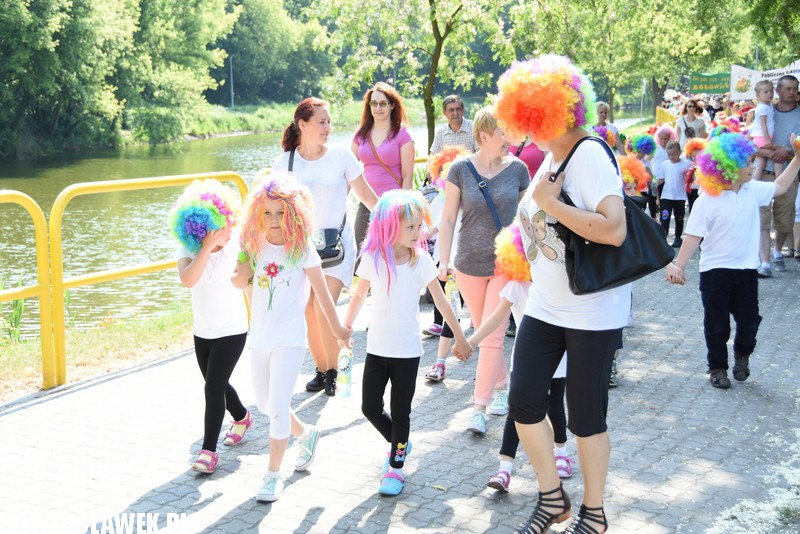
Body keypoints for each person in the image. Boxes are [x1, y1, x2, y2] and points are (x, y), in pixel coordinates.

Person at [495, 54, 630, 534]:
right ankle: (552, 497)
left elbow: (614, 230)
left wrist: (550, 204)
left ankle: (594, 513)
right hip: (545, 305)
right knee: (523, 402)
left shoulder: (588, 154)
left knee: (585, 417)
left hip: (591, 309)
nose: (524, 125)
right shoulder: (551, 156)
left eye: (529, 114)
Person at [340, 190, 472, 496]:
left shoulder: (421, 261)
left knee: (401, 413)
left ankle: (396, 468)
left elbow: (442, 301)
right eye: (410, 227)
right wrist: (344, 328)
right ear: (389, 226)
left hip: (408, 353)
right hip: (376, 350)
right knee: (370, 407)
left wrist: (461, 336)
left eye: (419, 226)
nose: (418, 232)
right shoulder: (373, 258)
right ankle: (399, 442)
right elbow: (358, 295)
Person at [232, 174, 352, 502]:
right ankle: (306, 433)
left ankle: (273, 475)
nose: (274, 220)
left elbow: (322, 296)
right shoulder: (253, 245)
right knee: (266, 404)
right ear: (258, 213)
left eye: (280, 213)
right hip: (259, 338)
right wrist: (243, 262)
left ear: (294, 213)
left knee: (277, 407)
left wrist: (338, 330)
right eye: (267, 213)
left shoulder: (302, 249)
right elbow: (238, 282)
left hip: (290, 340)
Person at [666, 133, 800, 388]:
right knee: (717, 326)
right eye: (747, 162)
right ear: (729, 167)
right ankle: (717, 368)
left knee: (749, 322)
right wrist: (679, 267)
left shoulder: (752, 190)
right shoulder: (707, 200)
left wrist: (798, 159)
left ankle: (742, 355)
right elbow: (692, 237)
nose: (752, 166)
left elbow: (780, 187)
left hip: (746, 272)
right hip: (714, 272)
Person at [273, 97, 378, 396]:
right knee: (307, 310)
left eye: (329, 121)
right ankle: (322, 370)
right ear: (302, 125)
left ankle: (337, 373)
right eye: (322, 122)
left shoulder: (342, 157)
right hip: (302, 250)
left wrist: (394, 218)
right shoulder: (284, 163)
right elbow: (272, 207)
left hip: (337, 248)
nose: (328, 127)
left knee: (323, 307)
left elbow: (367, 197)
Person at [436, 107, 530, 435]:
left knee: (491, 338)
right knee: (483, 329)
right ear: (484, 136)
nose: (509, 139)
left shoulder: (518, 170)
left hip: (505, 263)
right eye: (504, 133)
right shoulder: (460, 169)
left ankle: (478, 408)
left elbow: (526, 220)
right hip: (468, 263)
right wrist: (443, 261)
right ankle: (502, 385)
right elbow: (448, 218)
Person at [466, 224, 572, 493]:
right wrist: (472, 341)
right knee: (516, 410)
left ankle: (561, 452)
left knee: (555, 406)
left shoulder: (561, 281)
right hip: (526, 358)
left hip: (558, 357)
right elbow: (495, 318)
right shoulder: (517, 285)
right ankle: (504, 469)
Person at [172, 180, 250, 475]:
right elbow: (188, 280)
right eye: (220, 228)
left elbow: (250, 277)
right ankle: (242, 417)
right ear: (200, 230)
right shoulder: (188, 249)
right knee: (217, 384)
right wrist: (206, 247)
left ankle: (208, 452)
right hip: (203, 333)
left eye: (229, 224)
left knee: (213, 387)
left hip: (233, 330)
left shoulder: (236, 246)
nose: (228, 231)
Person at [351, 82, 415, 257]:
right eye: (373, 103)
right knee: (363, 255)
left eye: (383, 103)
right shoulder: (361, 134)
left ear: (392, 105)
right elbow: (348, 168)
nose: (377, 108)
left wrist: (404, 209)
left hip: (393, 206)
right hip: (367, 203)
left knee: (392, 255)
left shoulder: (403, 134)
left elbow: (408, 176)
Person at [757, 75, 800, 278]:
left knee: (784, 218)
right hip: (764, 172)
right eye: (787, 88)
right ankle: (764, 262)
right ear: (778, 91)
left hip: (789, 174)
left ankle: (777, 250)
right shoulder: (765, 111)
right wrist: (767, 151)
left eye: (795, 88)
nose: (792, 92)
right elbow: (751, 139)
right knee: (762, 219)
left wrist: (787, 150)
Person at [657, 140, 691, 247]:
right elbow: (661, 180)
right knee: (665, 217)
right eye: (669, 155)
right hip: (666, 196)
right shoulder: (665, 165)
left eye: (674, 154)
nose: (671, 157)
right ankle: (663, 237)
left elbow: (688, 180)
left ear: (680, 152)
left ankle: (677, 237)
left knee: (679, 218)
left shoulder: (685, 165)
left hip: (680, 197)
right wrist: (656, 194)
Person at [749, 80, 782, 184]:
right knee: (778, 156)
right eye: (766, 92)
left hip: (762, 136)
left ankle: (755, 182)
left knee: (761, 162)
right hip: (762, 138)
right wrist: (768, 140)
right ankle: (779, 180)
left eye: (771, 91)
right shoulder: (762, 108)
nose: (770, 94)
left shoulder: (767, 105)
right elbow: (763, 125)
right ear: (758, 94)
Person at [683, 138, 708, 212]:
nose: (695, 158)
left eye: (698, 155)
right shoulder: (690, 166)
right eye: (693, 156)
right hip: (691, 191)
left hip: (701, 192)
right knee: (692, 209)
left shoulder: (705, 167)